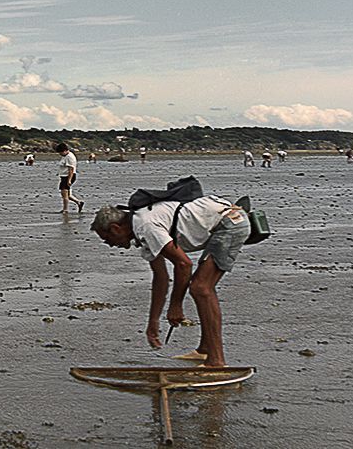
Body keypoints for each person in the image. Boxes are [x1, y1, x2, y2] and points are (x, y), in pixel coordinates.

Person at [91, 192, 252, 368]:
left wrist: (176, 306)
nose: (111, 245)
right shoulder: (140, 231)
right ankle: (205, 349)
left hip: (230, 222)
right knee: (201, 287)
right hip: (223, 222)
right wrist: (153, 321)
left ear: (116, 228)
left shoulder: (146, 225)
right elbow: (160, 278)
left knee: (201, 288)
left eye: (108, 239)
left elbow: (183, 264)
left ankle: (216, 361)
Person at [55, 142, 84, 213]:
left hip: (68, 177)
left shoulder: (69, 157)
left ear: (65, 151)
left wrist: (69, 180)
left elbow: (71, 169)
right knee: (67, 194)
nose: (60, 154)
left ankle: (65, 209)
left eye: (60, 152)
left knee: (64, 194)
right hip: (64, 176)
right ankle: (79, 202)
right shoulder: (66, 156)